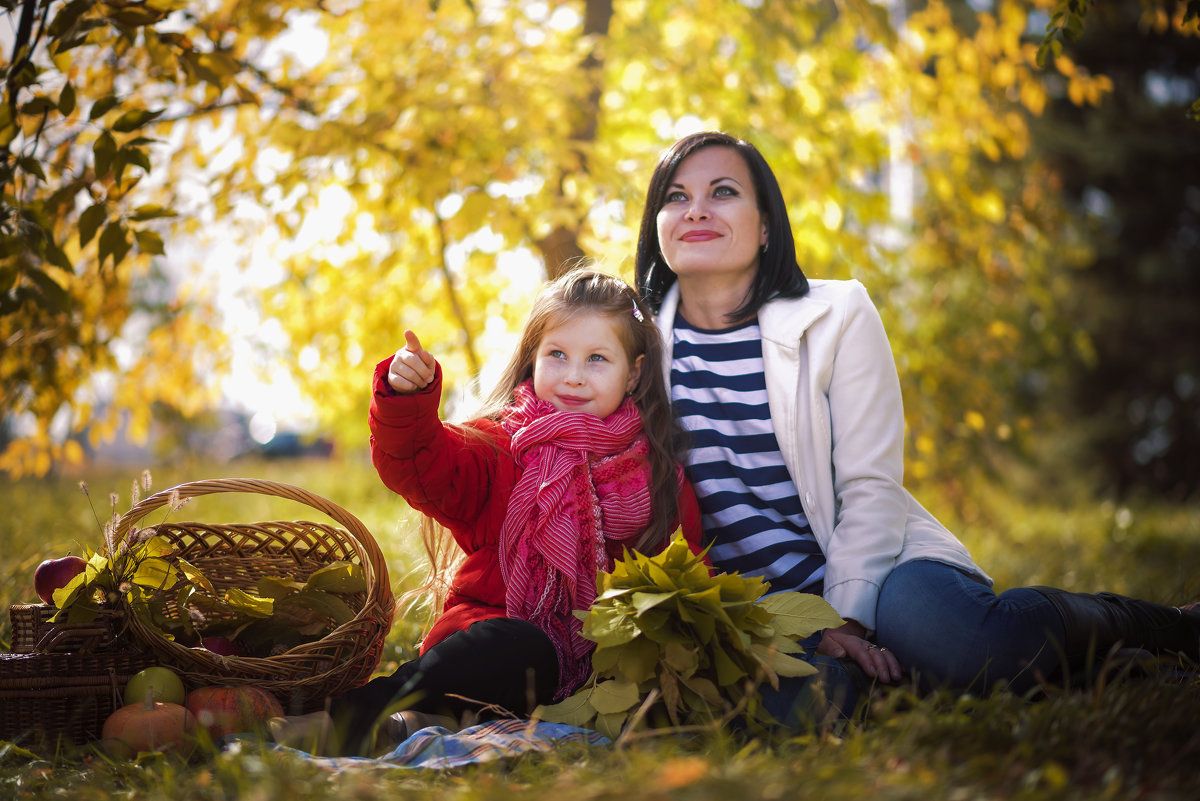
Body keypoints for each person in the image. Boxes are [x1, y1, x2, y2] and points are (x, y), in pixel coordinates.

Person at [633, 130, 1200, 708]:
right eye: (675, 197)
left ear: (767, 226)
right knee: (830, 702)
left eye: (722, 191)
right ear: (657, 225)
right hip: (758, 614)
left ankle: (1159, 626)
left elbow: (870, 487)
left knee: (955, 641)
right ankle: (1115, 672)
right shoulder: (629, 347)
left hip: (883, 566)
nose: (696, 209)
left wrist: (847, 622)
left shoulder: (838, 314)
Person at [273, 269, 704, 755]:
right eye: (557, 355)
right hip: (493, 646)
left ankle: (427, 721)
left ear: (635, 373)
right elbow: (424, 466)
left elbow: (685, 578)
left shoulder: (656, 478)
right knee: (517, 645)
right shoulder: (501, 446)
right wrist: (408, 400)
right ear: (532, 359)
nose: (574, 375)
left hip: (601, 670)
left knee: (628, 673)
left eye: (598, 359)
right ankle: (344, 715)